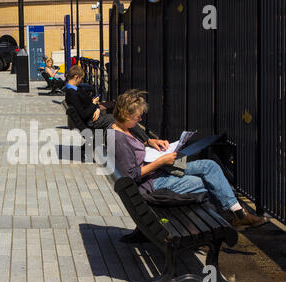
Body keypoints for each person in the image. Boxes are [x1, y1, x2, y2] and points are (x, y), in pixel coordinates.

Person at [109, 89, 268, 231]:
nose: (140, 119)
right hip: (152, 183)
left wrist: (149, 142)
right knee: (204, 183)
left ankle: (237, 213)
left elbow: (131, 153)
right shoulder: (118, 139)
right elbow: (131, 176)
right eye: (138, 116)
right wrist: (161, 161)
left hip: (159, 171)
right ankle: (222, 222)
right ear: (126, 115)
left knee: (209, 167)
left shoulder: (120, 129)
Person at [65, 65, 167, 151]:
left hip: (95, 116)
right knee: (121, 118)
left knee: (120, 117)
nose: (81, 80)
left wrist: (96, 108)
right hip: (92, 121)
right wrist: (93, 104)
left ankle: (142, 141)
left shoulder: (75, 90)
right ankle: (146, 141)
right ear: (76, 77)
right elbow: (83, 113)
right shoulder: (72, 94)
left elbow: (91, 102)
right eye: (81, 78)